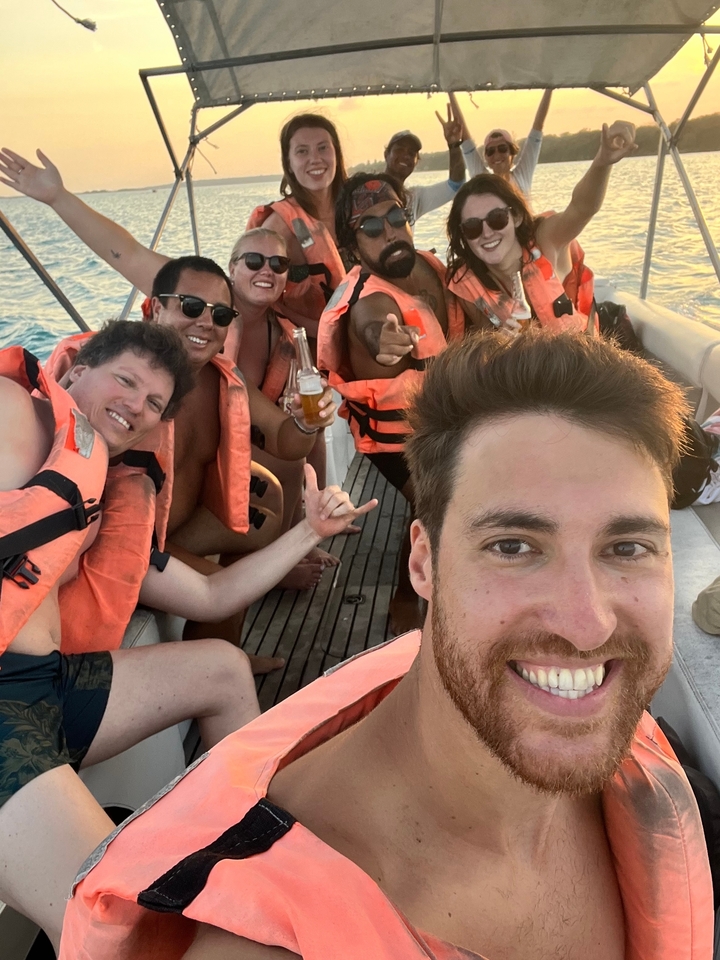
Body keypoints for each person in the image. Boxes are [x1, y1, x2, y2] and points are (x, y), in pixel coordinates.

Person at [59, 330, 714, 960]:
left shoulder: (627, 750)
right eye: (513, 546)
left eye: (628, 548)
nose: (588, 625)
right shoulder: (270, 943)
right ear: (423, 563)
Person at [0, 319, 375, 950]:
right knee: (117, 928)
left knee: (223, 669)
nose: (136, 406)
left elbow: (210, 597)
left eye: (153, 402)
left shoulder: (98, 493)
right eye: (125, 380)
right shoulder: (16, 412)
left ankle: (244, 856)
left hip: (47, 685)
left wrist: (309, 533)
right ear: (76, 371)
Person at [318, 172, 465, 632]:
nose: (390, 233)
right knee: (435, 499)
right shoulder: (368, 299)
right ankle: (406, 602)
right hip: (393, 438)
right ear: (351, 247)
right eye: (371, 227)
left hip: (438, 415)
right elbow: (374, 326)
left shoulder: (426, 266)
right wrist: (384, 341)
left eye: (396, 218)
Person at [445, 120, 637, 335]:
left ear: (516, 217)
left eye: (497, 218)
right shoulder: (468, 282)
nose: (487, 233)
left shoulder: (547, 240)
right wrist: (498, 343)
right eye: (472, 227)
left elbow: (582, 208)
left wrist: (602, 162)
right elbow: (483, 333)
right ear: (463, 235)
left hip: (581, 352)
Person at [245, 113, 347, 334]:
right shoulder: (279, 227)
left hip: (363, 336)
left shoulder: (357, 210)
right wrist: (322, 333)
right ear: (289, 164)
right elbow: (255, 299)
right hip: (306, 341)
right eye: (302, 151)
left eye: (323, 148)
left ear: (336, 154)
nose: (315, 159)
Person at [450, 89, 553, 199]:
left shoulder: (523, 174)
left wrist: (549, 88)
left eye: (502, 148)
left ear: (512, 153)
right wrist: (450, 92)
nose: (497, 155)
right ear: (486, 157)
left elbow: (538, 126)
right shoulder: (481, 178)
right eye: (490, 151)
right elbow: (464, 138)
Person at [382, 102, 465, 225]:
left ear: (416, 162)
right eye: (399, 149)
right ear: (386, 155)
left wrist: (454, 144)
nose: (405, 156)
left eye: (411, 153)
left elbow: (455, 185)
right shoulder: (366, 191)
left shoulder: (414, 198)